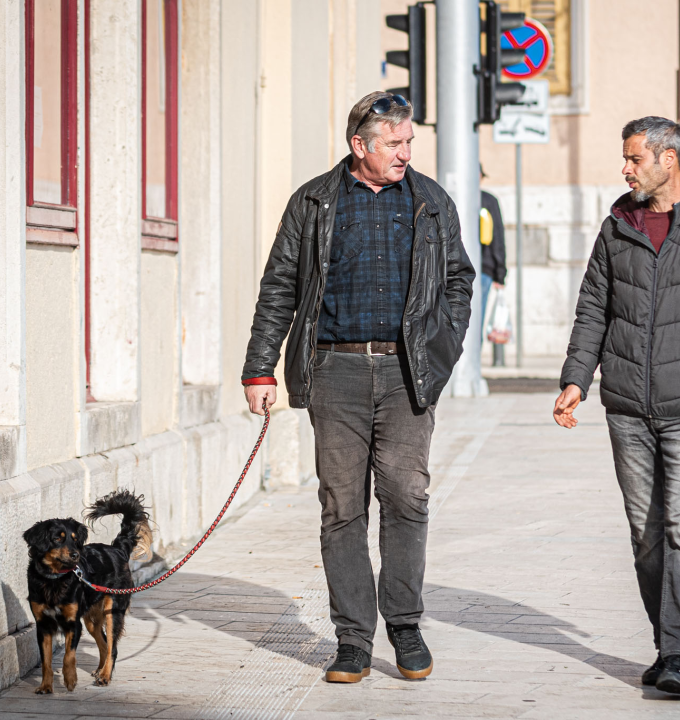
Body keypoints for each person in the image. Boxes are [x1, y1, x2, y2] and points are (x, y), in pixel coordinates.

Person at [241, 91, 474, 683]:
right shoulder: (313, 201)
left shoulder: (429, 202)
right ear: (359, 145)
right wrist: (260, 367)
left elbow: (458, 279)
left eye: (408, 142)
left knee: (406, 497)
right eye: (394, 143)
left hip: (406, 374)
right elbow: (279, 287)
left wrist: (441, 350)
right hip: (334, 371)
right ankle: (352, 640)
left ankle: (405, 626)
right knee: (342, 506)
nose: (405, 152)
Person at [552, 117, 680, 696]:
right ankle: (666, 642)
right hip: (626, 406)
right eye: (625, 158)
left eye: (635, 158)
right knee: (645, 535)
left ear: (668, 159)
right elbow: (593, 309)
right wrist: (576, 380)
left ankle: (676, 654)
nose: (625, 169)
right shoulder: (617, 226)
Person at [479, 167, 507, 324]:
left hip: (454, 269)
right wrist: (500, 274)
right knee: (478, 318)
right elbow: (497, 238)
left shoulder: (451, 198)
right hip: (484, 268)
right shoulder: (489, 200)